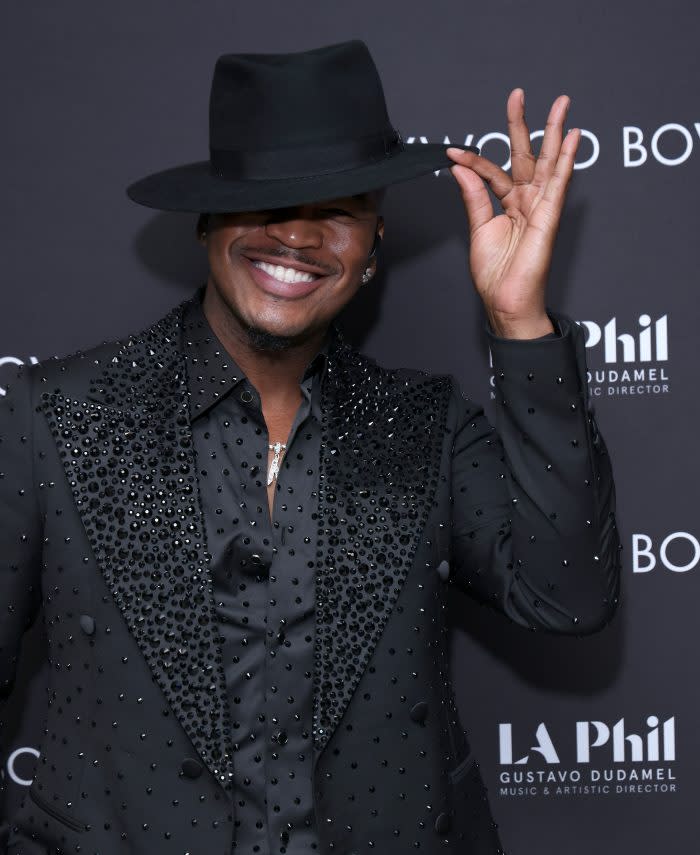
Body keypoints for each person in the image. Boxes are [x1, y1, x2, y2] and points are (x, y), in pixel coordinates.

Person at [0, 39, 620, 855]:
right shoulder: (54, 416)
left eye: (336, 208)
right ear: (207, 222)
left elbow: (568, 595)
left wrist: (520, 321)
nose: (296, 235)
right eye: (264, 204)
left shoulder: (427, 429)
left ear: (371, 249)